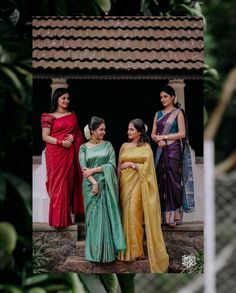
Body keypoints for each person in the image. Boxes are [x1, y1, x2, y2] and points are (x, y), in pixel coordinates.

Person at [117, 118, 169, 273]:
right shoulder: (124, 146)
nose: (128, 132)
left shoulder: (146, 147)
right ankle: (124, 251)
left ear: (139, 132)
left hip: (140, 184)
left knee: (134, 215)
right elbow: (118, 166)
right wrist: (120, 173)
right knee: (125, 214)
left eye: (132, 129)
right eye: (128, 129)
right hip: (125, 184)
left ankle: (135, 251)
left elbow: (149, 169)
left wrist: (133, 165)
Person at [79, 116, 126, 263]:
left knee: (106, 219)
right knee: (93, 220)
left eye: (104, 129)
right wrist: (94, 183)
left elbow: (111, 165)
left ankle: (107, 255)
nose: (104, 132)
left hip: (105, 185)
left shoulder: (108, 145)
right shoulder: (83, 147)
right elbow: (84, 169)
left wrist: (95, 171)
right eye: (101, 130)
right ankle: (94, 254)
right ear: (93, 131)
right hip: (90, 186)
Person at [151, 85, 195, 227]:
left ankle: (174, 217)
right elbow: (152, 134)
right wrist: (157, 139)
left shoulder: (178, 113)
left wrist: (164, 136)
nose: (163, 99)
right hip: (160, 150)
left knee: (174, 182)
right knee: (160, 181)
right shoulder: (158, 114)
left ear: (172, 97)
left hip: (174, 151)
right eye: (161, 97)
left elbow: (182, 134)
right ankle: (163, 217)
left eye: (165, 96)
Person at [41, 88, 84, 228]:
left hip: (69, 154)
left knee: (69, 183)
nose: (66, 101)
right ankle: (57, 220)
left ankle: (67, 218)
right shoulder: (48, 116)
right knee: (57, 185)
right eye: (63, 98)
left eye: (68, 98)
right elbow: (45, 137)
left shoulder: (72, 115)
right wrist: (61, 143)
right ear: (57, 99)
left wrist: (73, 137)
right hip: (55, 154)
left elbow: (77, 133)